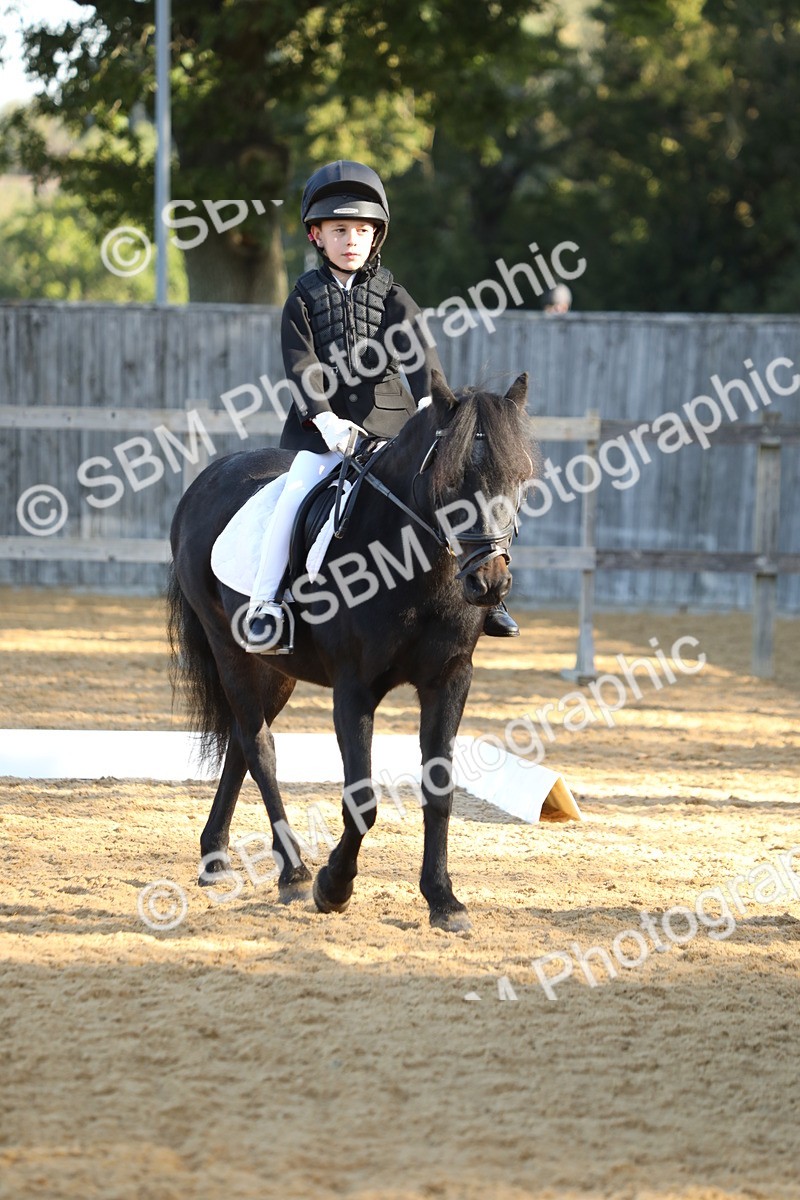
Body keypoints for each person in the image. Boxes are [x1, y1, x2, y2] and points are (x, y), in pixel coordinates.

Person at [245, 159, 519, 651]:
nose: (351, 240)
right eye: (339, 230)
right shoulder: (302, 299)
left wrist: (430, 407)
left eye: (362, 230)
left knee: (465, 487)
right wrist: (325, 419)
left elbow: (421, 358)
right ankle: (268, 605)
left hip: (394, 430)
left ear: (376, 235)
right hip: (324, 433)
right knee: (292, 497)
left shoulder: (394, 295)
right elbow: (301, 365)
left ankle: (489, 597)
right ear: (316, 235)